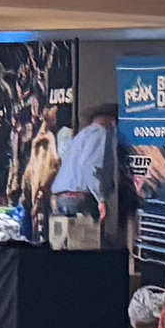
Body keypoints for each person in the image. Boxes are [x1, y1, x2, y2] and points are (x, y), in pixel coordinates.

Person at [50, 100, 116, 250]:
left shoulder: (82, 135)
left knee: (64, 249)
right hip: (80, 199)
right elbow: (89, 165)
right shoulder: (101, 133)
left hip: (62, 197)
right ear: (111, 120)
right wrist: (101, 198)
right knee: (85, 249)